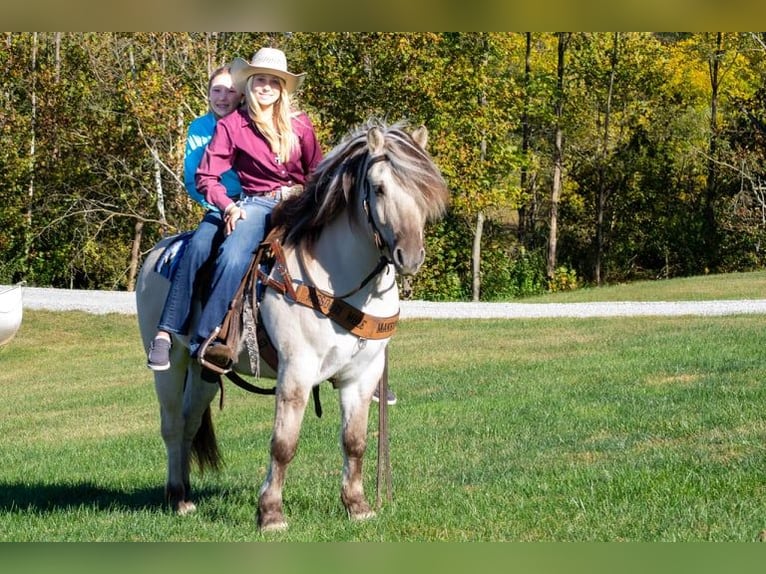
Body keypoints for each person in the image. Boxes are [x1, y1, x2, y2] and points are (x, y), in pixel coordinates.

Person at [188, 47, 323, 366]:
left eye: (273, 82)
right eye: (259, 79)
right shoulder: (233, 124)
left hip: (300, 202)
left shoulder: (300, 124)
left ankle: (362, 347)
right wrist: (227, 207)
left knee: (346, 244)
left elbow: (316, 170)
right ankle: (209, 337)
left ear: (282, 89)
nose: (265, 86)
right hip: (258, 203)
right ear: (249, 83)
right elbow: (206, 175)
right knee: (233, 256)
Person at [146, 65, 244, 370]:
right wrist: (223, 205)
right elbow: (193, 178)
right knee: (200, 246)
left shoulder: (251, 123)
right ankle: (167, 330)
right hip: (218, 204)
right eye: (217, 90)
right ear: (208, 94)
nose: (223, 97)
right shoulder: (199, 128)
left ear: (241, 95)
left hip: (255, 203)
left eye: (230, 91)